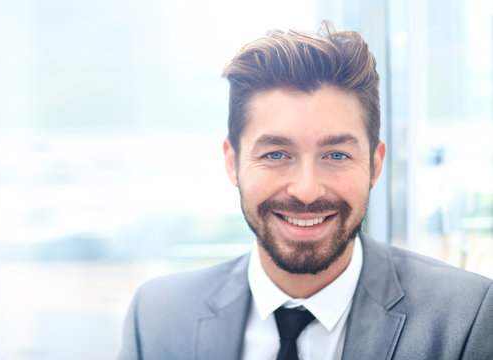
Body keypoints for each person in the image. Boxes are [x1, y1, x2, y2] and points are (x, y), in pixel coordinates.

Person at [118, 22, 493, 360]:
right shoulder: (156, 318)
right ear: (232, 162)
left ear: (376, 165)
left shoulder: (466, 318)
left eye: (336, 155)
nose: (307, 190)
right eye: (276, 154)